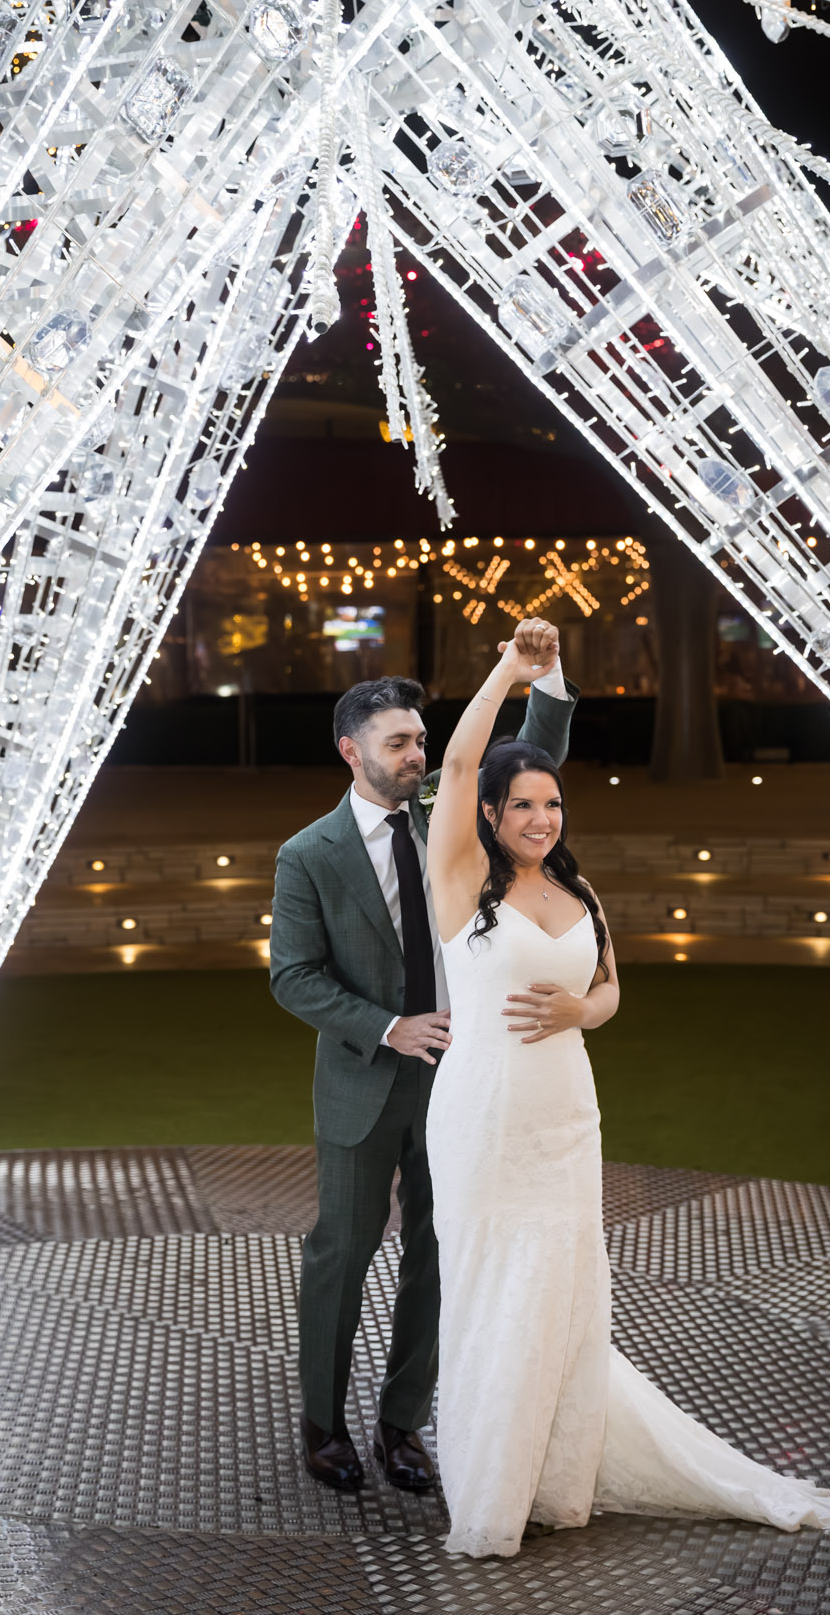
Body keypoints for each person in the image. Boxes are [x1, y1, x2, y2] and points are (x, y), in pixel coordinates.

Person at [424, 628, 830, 1559]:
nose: (542, 819)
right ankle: (492, 1483)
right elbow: (456, 763)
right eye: (523, 805)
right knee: (499, 1289)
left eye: (552, 802)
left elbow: (612, 991)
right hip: (486, 1116)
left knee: (566, 1293)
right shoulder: (459, 883)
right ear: (490, 813)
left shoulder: (580, 893)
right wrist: (509, 671)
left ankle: (556, 1476)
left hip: (566, 1116)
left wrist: (583, 1008)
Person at [268, 621, 577, 1495]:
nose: (415, 755)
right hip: (366, 1083)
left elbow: (533, 757)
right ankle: (323, 1425)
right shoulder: (307, 855)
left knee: (439, 1254)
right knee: (343, 1253)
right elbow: (292, 977)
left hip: (465, 1082)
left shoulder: (454, 817)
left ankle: (402, 1426)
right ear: (349, 751)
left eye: (420, 740)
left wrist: (545, 679)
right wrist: (386, 1025)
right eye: (397, 742)